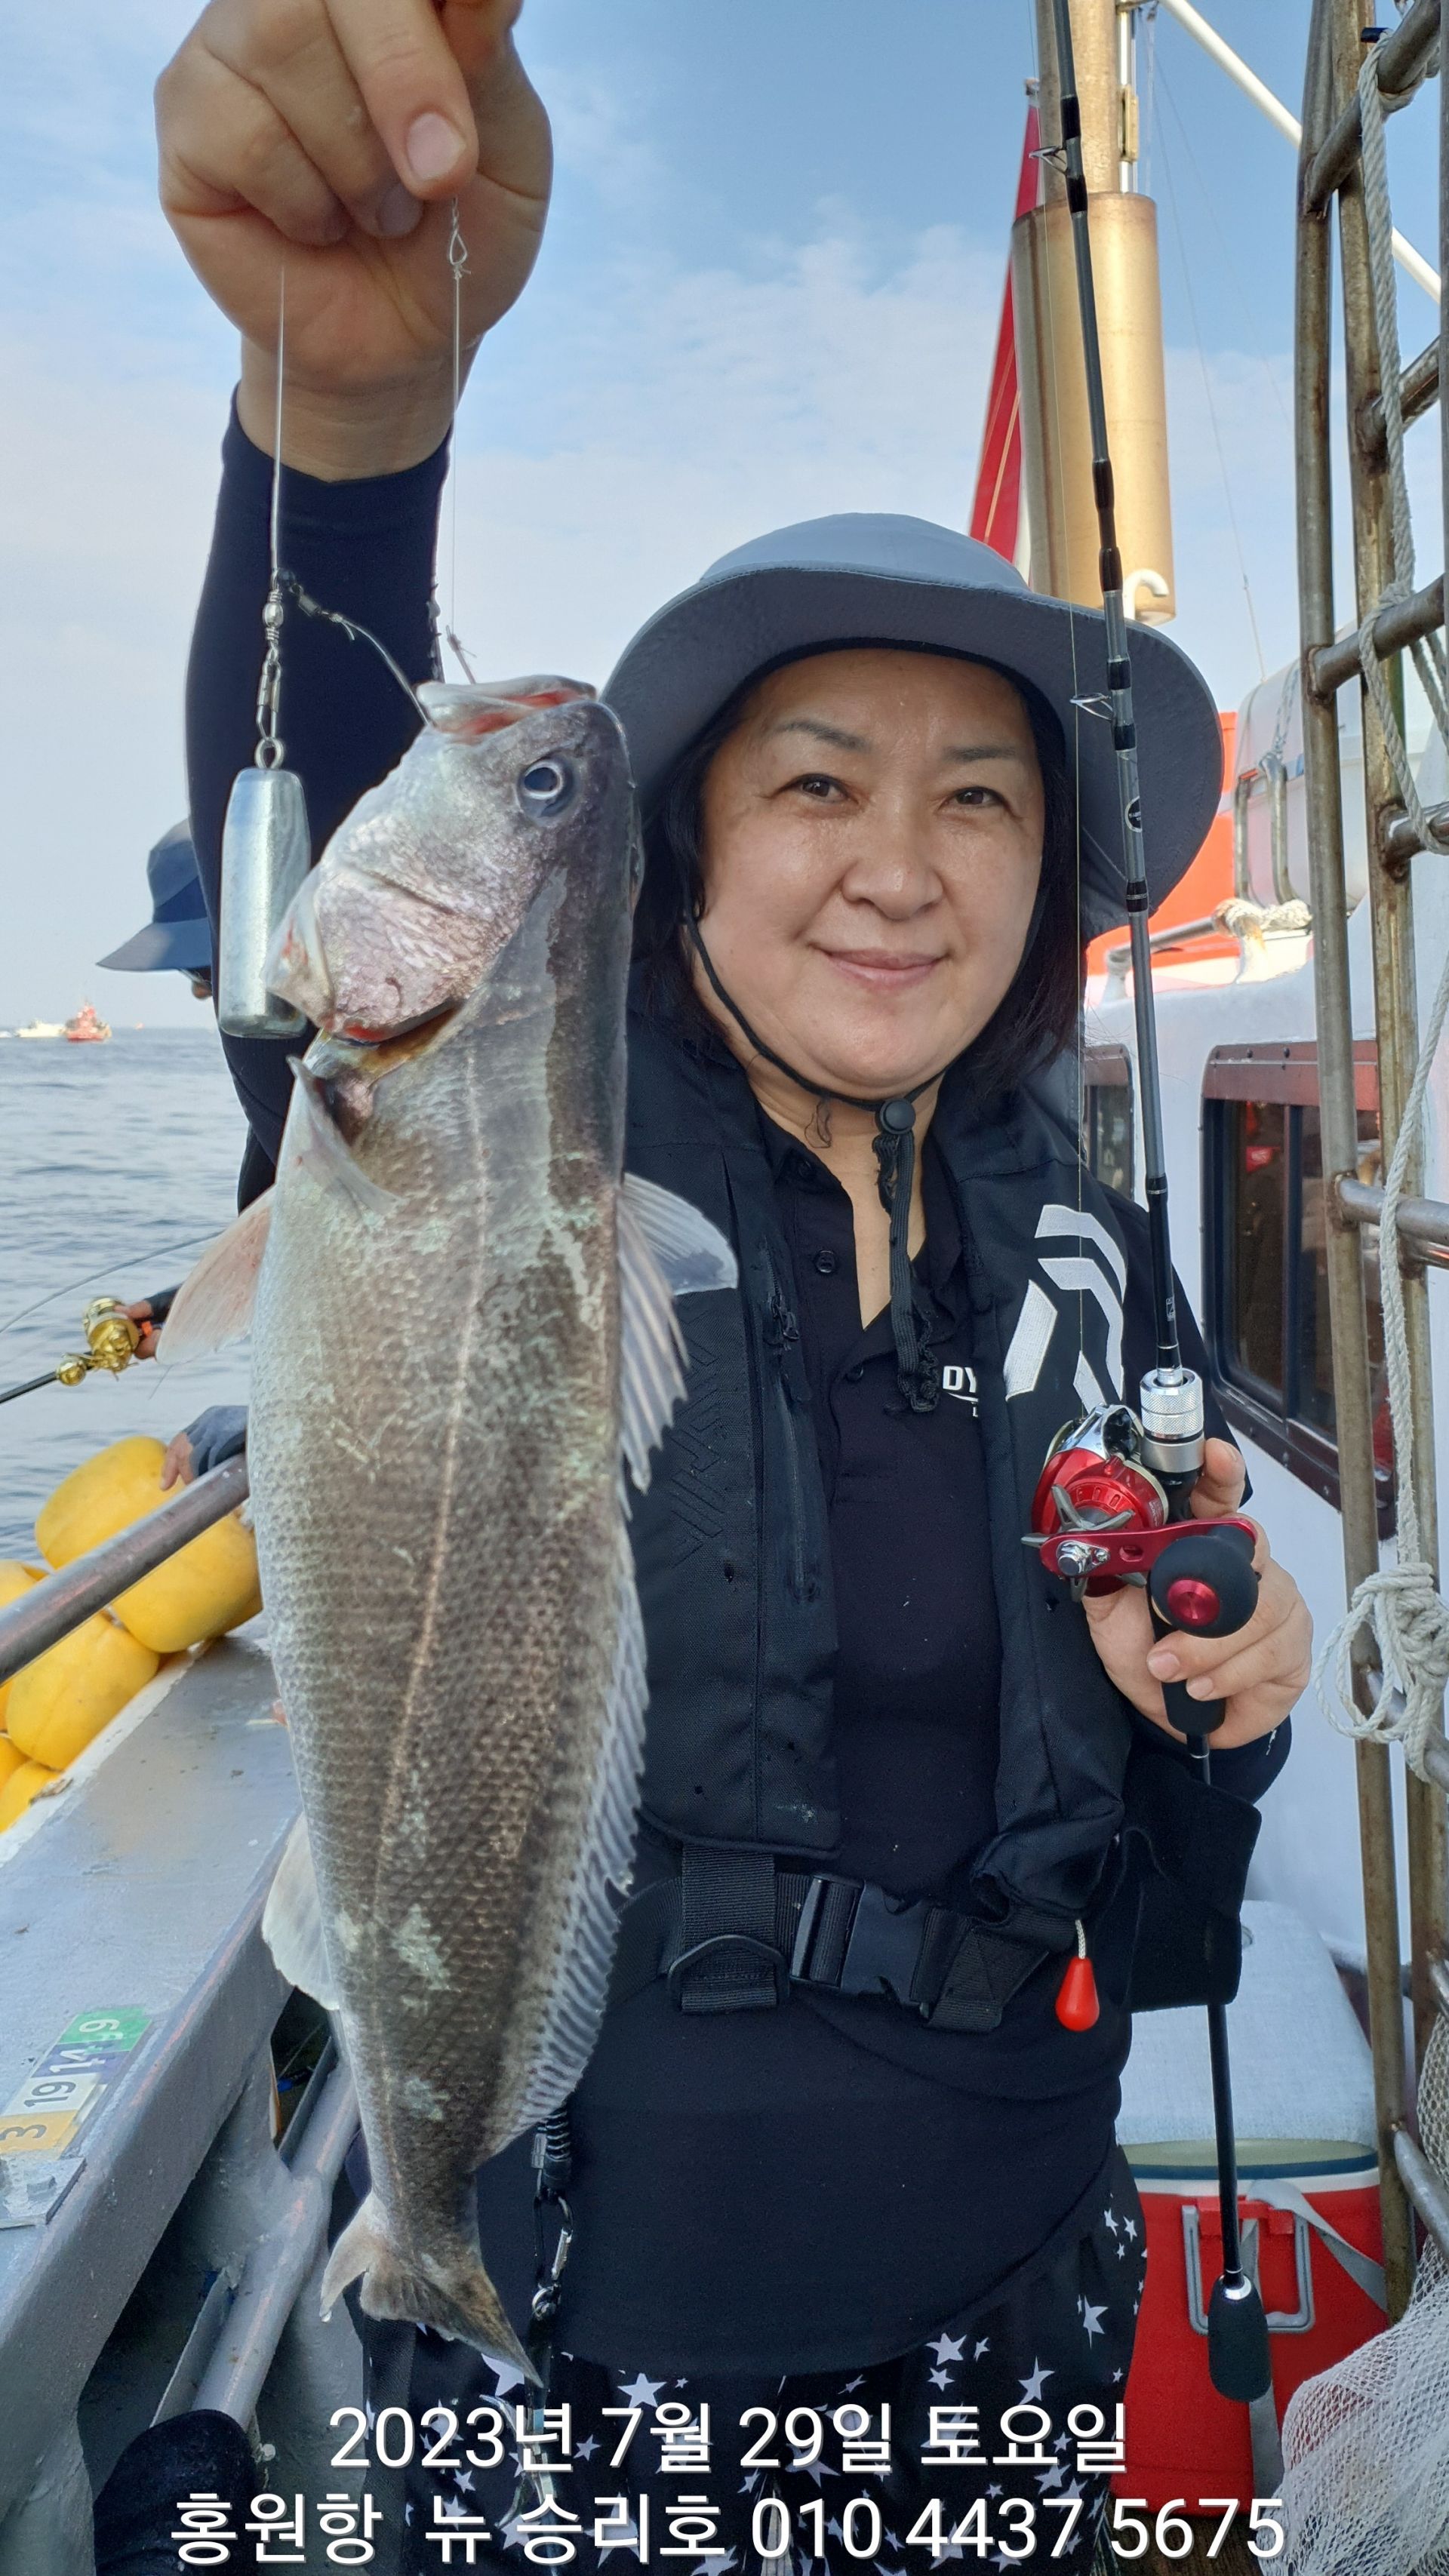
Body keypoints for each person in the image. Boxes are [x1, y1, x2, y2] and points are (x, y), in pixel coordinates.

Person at [154, 8, 1312, 2569]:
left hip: (1015, 2324)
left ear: (1041, 877)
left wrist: (1227, 1706)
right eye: (816, 783)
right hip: (577, 2354)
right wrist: (350, 429)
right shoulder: (509, 1148)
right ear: (682, 857)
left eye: (979, 796)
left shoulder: (1100, 1269)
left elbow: (1158, 1914)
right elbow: (339, 832)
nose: (901, 864)